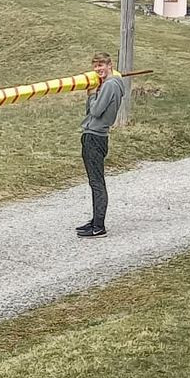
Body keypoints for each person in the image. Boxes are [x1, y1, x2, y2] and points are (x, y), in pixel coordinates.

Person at [77, 52, 124, 238]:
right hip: (96, 134)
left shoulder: (110, 85)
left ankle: (99, 226)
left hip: (95, 136)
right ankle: (96, 220)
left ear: (110, 65)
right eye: (95, 66)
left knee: (96, 182)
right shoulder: (111, 85)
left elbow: (95, 111)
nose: (98, 69)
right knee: (95, 181)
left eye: (101, 65)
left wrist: (91, 95)